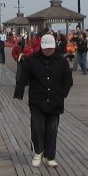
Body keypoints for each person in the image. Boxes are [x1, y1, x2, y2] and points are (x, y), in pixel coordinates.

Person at [13, 32, 73, 168]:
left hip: (55, 102)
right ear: (41, 47)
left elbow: (68, 80)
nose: (49, 50)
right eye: (46, 48)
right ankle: (38, 152)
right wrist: (19, 92)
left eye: (51, 48)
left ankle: (49, 156)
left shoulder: (62, 61)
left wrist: (62, 94)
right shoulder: (32, 60)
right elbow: (23, 78)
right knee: (38, 128)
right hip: (37, 101)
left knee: (52, 129)